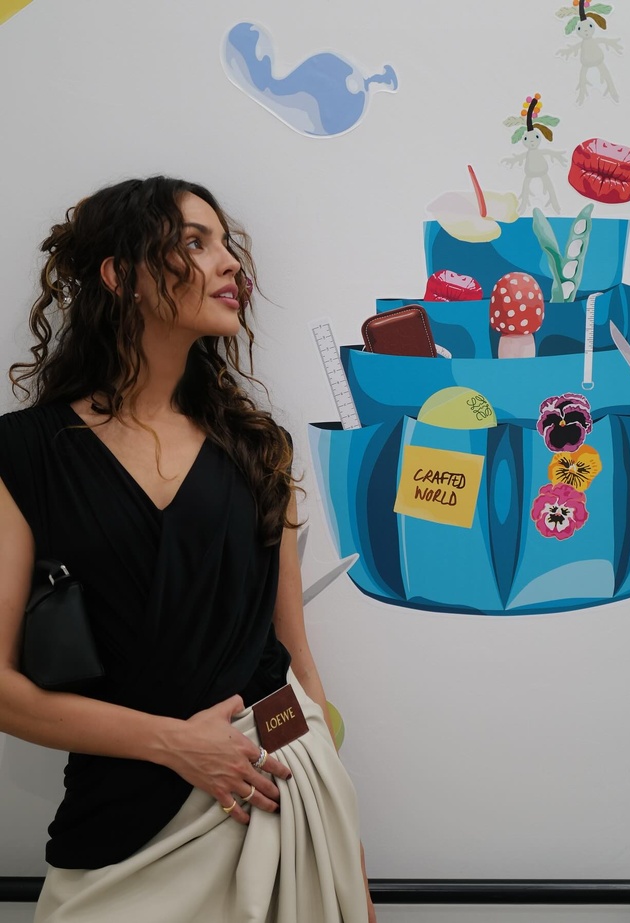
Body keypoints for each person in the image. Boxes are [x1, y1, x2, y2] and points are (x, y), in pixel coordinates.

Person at [0, 176, 376, 922]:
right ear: (121, 275)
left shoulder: (261, 449)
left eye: (226, 243)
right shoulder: (25, 453)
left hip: (278, 788)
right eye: (195, 243)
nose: (230, 262)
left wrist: (348, 862)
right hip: (118, 823)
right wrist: (175, 744)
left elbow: (294, 665)